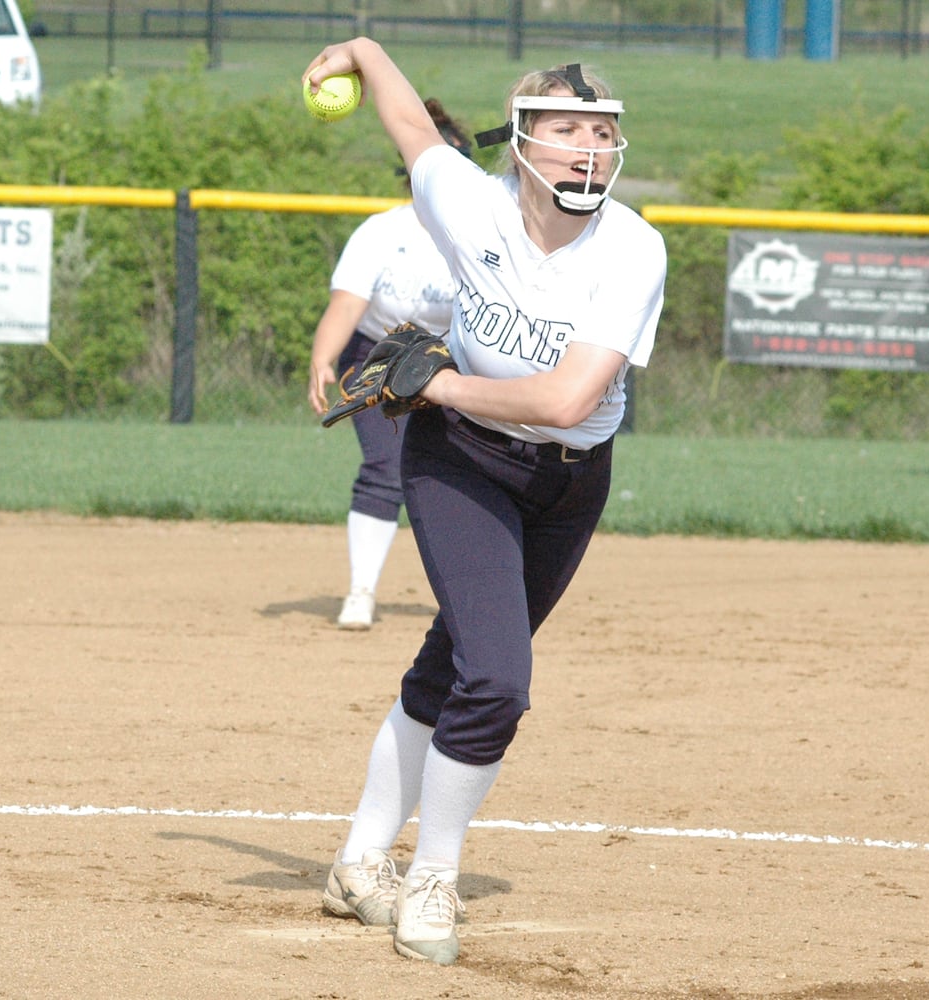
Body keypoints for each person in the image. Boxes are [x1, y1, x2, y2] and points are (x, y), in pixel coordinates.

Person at [303, 40, 666, 966]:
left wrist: (434, 384)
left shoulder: (631, 246)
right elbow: (409, 122)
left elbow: (565, 401)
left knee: (455, 661)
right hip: (461, 464)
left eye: (602, 132)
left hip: (568, 479)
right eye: (564, 130)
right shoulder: (471, 201)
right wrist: (362, 50)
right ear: (519, 142)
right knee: (499, 679)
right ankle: (433, 874)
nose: (587, 148)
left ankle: (355, 863)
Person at [307, 99, 473, 631]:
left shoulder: (479, 239)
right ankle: (360, 592)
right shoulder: (382, 232)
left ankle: (473, 597)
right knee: (384, 469)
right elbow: (347, 306)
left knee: (469, 480)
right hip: (378, 358)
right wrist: (323, 358)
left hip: (453, 367)